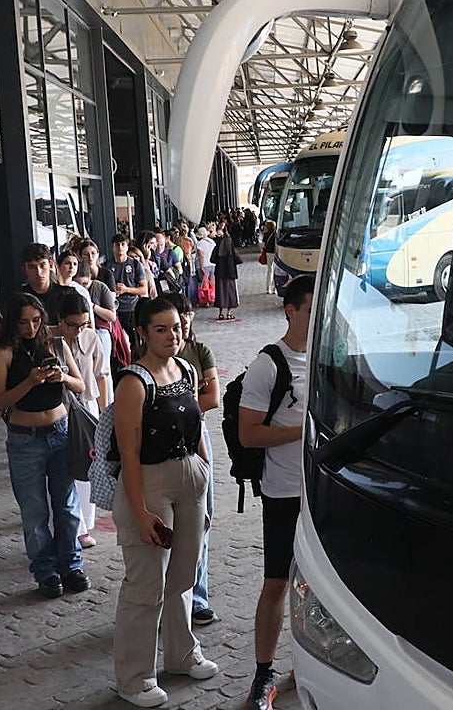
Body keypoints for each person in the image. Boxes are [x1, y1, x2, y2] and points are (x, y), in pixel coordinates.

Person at [111, 298, 216, 707]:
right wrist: (140, 513)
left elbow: (197, 424)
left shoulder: (186, 369)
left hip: (190, 478)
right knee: (145, 585)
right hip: (150, 483)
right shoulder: (133, 383)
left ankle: (182, 653)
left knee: (184, 575)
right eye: (161, 329)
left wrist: (204, 471)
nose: (172, 336)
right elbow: (129, 452)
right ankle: (134, 677)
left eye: (176, 327)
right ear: (142, 333)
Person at [238, 276, 313, 710]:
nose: (318, 316)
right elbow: (249, 434)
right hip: (283, 492)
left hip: (321, 491)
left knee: (317, 584)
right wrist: (304, 431)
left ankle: (312, 662)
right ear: (291, 311)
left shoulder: (327, 355)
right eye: (311, 309)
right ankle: (263, 672)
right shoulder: (269, 364)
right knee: (277, 582)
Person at [0, 293, 90, 599]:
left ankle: (71, 565)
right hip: (25, 438)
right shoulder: (4, 352)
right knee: (34, 512)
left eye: (35, 321)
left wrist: (63, 377)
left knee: (67, 506)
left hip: (60, 432)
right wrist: (29, 382)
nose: (31, 328)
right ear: (12, 323)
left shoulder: (55, 344)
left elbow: (81, 385)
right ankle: (45, 571)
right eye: (23, 322)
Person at [162, 292, 221, 627]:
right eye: (172, 319)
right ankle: (167, 598)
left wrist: (177, 406)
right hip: (162, 447)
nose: (181, 323)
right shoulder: (150, 363)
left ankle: (197, 597)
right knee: (168, 523)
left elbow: (213, 398)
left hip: (197, 436)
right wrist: (189, 401)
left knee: (202, 518)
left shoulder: (198, 353)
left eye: (185, 316)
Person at [58, 293, 111, 550]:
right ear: (61, 321)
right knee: (62, 468)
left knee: (87, 465)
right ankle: (70, 526)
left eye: (84, 324)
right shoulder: (51, 342)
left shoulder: (91, 337)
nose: (79, 330)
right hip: (60, 409)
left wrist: (105, 414)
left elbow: (102, 375)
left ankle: (84, 527)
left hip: (87, 405)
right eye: (73, 325)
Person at [20, 243, 74, 328]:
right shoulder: (18, 299)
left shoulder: (68, 294)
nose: (38, 272)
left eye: (42, 265)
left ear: (51, 265)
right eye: (32, 267)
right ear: (24, 270)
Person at [111, 234, 148, 339]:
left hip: (131, 308)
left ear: (127, 247)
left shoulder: (135, 264)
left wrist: (126, 289)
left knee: (135, 339)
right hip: (114, 309)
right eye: (117, 245)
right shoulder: (107, 266)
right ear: (113, 247)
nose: (120, 247)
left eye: (123, 244)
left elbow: (143, 289)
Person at [213, 222, 241, 320]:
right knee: (230, 291)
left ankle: (220, 313)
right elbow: (236, 256)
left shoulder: (218, 242)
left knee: (220, 291)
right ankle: (229, 313)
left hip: (219, 271)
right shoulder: (229, 242)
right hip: (230, 270)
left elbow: (213, 258)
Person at [260, 220, 277, 295]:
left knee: (270, 271)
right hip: (275, 254)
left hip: (268, 253)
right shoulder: (276, 234)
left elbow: (263, 245)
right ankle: (274, 288)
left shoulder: (266, 234)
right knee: (275, 271)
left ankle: (268, 288)